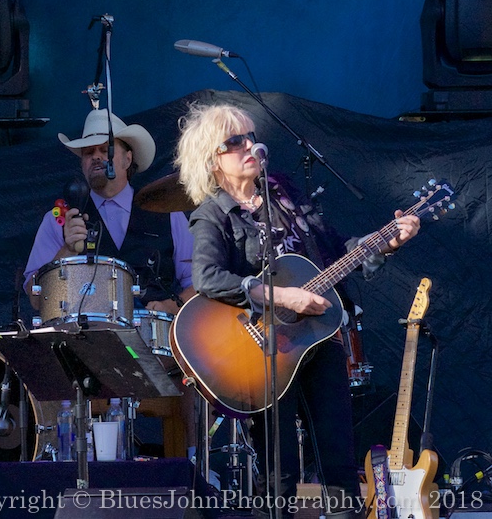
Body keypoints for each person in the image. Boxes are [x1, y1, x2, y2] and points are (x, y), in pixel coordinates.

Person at [173, 103, 420, 513]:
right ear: (212, 159)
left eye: (251, 136)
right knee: (279, 471)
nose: (250, 146)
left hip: (316, 340)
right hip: (259, 353)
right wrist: (281, 296)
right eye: (235, 142)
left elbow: (336, 252)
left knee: (340, 459)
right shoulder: (212, 215)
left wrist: (386, 243)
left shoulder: (283, 193)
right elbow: (208, 278)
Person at [24, 108, 194, 317]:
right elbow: (35, 299)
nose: (96, 157)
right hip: (85, 340)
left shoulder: (167, 212)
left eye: (105, 150)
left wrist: (170, 306)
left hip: (154, 340)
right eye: (88, 152)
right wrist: (67, 251)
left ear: (127, 159)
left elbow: (200, 285)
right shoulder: (59, 218)